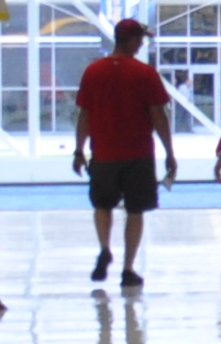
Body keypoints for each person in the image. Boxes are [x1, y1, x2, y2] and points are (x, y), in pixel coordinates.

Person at [70, 17, 178, 288]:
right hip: (137, 154)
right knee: (135, 211)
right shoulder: (145, 74)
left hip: (103, 153)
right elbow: (158, 116)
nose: (142, 43)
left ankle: (105, 247)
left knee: (102, 205)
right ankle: (128, 269)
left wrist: (78, 150)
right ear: (130, 40)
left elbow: (84, 114)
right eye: (140, 39)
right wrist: (169, 151)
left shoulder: (93, 72)